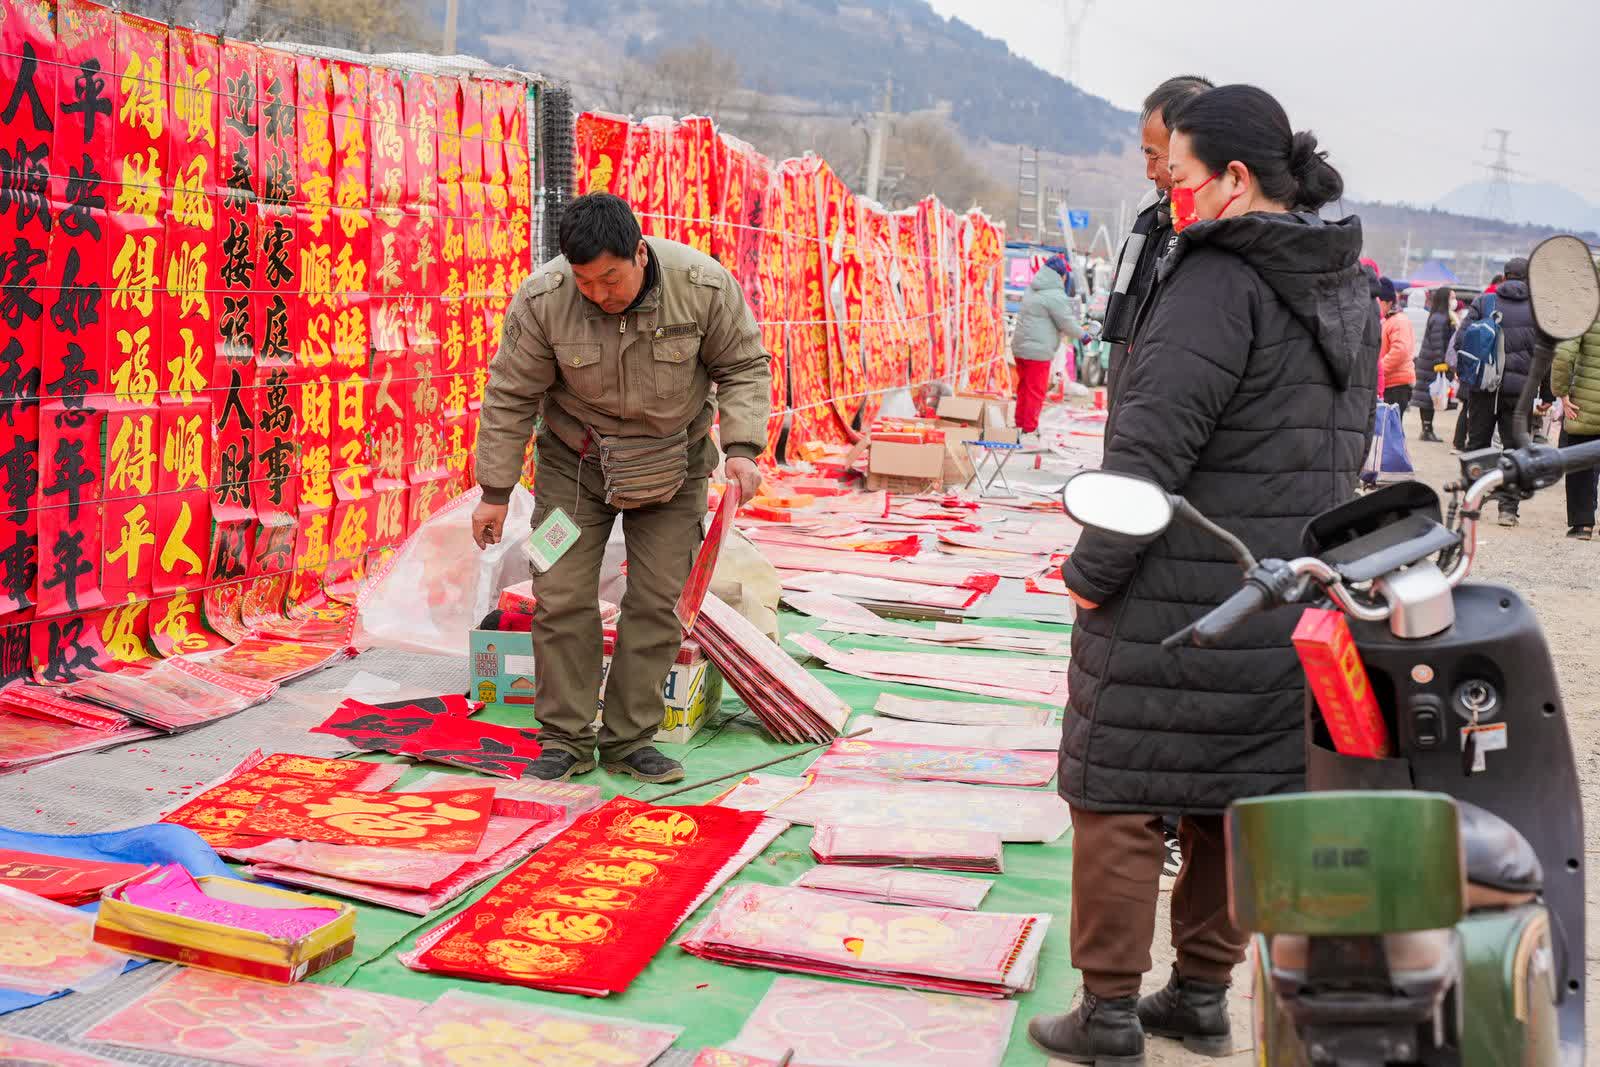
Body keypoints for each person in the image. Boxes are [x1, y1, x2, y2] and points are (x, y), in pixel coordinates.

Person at [1029, 84, 1378, 1065]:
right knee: (1232, 794)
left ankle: (1107, 1011)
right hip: (1282, 584)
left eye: (1177, 174)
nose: (1169, 193)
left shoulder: (1218, 278)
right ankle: (1200, 994)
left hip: (1178, 581)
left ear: (1232, 177)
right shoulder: (1344, 281)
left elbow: (1148, 452)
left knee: (1118, 789)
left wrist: (1093, 568)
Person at [472, 192, 771, 783]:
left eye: (610, 279)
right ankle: (564, 738)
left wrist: (742, 449)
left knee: (660, 602)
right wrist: (496, 491)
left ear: (639, 253)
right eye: (585, 282)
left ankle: (631, 739)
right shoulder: (544, 299)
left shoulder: (703, 285)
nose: (598, 294)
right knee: (560, 596)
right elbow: (510, 395)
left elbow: (742, 366)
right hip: (575, 469)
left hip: (674, 464)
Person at [1101, 75, 1214, 405]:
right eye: (1146, 155)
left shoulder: (1206, 235)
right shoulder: (1153, 219)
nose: (1149, 173)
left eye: (1156, 156)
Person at [1460, 256, 1550, 526]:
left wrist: (1466, 377)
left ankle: (1472, 502)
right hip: (1520, 393)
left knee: (1477, 445)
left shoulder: (1484, 302)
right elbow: (1547, 355)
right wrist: (1547, 393)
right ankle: (1507, 510)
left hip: (1483, 388)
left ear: (1504, 276)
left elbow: (1461, 340)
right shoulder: (1538, 310)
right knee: (1515, 449)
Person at [1011, 254, 1084, 437]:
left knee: (1024, 388)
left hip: (1020, 348)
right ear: (1062, 275)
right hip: (1038, 352)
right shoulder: (1055, 295)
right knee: (1035, 390)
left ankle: (1020, 425)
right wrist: (1084, 336)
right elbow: (1066, 323)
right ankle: (1029, 429)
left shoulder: (1032, 288)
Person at [1553, 316, 1600, 539]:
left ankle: (1583, 525)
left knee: (1580, 458)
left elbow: (1563, 355)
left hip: (1584, 403)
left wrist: (1561, 393)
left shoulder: (1585, 313)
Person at [1414, 286, 1454, 443]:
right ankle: (1427, 430)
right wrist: (1440, 364)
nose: (1454, 301)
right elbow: (1438, 343)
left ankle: (1427, 429)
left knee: (1429, 397)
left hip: (1428, 362)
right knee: (1429, 397)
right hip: (1432, 364)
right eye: (1451, 297)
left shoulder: (1439, 316)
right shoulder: (1440, 319)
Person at [1378, 277, 1417, 431]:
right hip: (1390, 382)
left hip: (1396, 384)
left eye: (1378, 301)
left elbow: (1400, 351)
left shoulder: (1398, 321)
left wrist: (1379, 370)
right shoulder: (1388, 320)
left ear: (1388, 302)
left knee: (1390, 430)